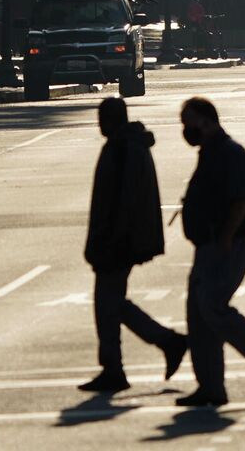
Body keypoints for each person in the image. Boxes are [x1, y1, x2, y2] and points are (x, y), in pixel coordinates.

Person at [177, 97, 245, 408]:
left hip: (230, 243)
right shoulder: (210, 152)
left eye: (190, 122)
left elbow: (241, 200)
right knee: (198, 316)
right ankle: (211, 387)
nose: (186, 130)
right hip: (207, 245)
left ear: (207, 121)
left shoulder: (230, 153)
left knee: (212, 306)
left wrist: (225, 237)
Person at [80, 97, 187, 395]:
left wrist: (111, 239)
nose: (100, 124)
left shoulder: (122, 149)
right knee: (113, 303)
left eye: (104, 118)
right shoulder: (128, 145)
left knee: (107, 304)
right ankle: (164, 344)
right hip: (121, 239)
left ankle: (119, 366)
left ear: (114, 120)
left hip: (118, 241)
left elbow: (122, 201)